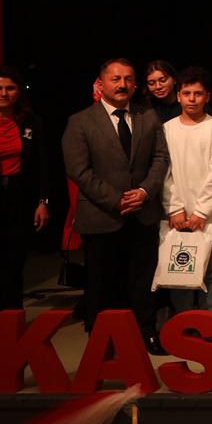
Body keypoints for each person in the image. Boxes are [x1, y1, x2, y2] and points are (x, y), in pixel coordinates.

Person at [61, 58, 169, 352]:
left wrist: (145, 191)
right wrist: (115, 199)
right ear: (101, 83)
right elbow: (78, 170)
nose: (122, 84)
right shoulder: (80, 121)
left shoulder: (148, 116)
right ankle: (103, 341)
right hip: (102, 215)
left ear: (135, 84)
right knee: (101, 283)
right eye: (116, 79)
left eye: (128, 79)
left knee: (143, 280)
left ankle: (146, 333)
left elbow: (161, 158)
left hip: (142, 214)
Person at [0, 66, 50, 359]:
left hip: (19, 204)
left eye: (10, 88)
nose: (4, 93)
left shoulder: (33, 123)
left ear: (19, 92)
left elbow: (44, 166)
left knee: (13, 273)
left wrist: (43, 201)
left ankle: (11, 339)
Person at [161, 67, 212, 315]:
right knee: (179, 269)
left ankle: (208, 318)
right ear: (178, 96)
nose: (192, 99)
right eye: (187, 93)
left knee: (210, 271)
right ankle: (183, 319)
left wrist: (202, 211)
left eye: (198, 94)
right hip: (177, 213)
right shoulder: (167, 129)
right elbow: (165, 173)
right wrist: (175, 208)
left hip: (209, 215)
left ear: (207, 97)